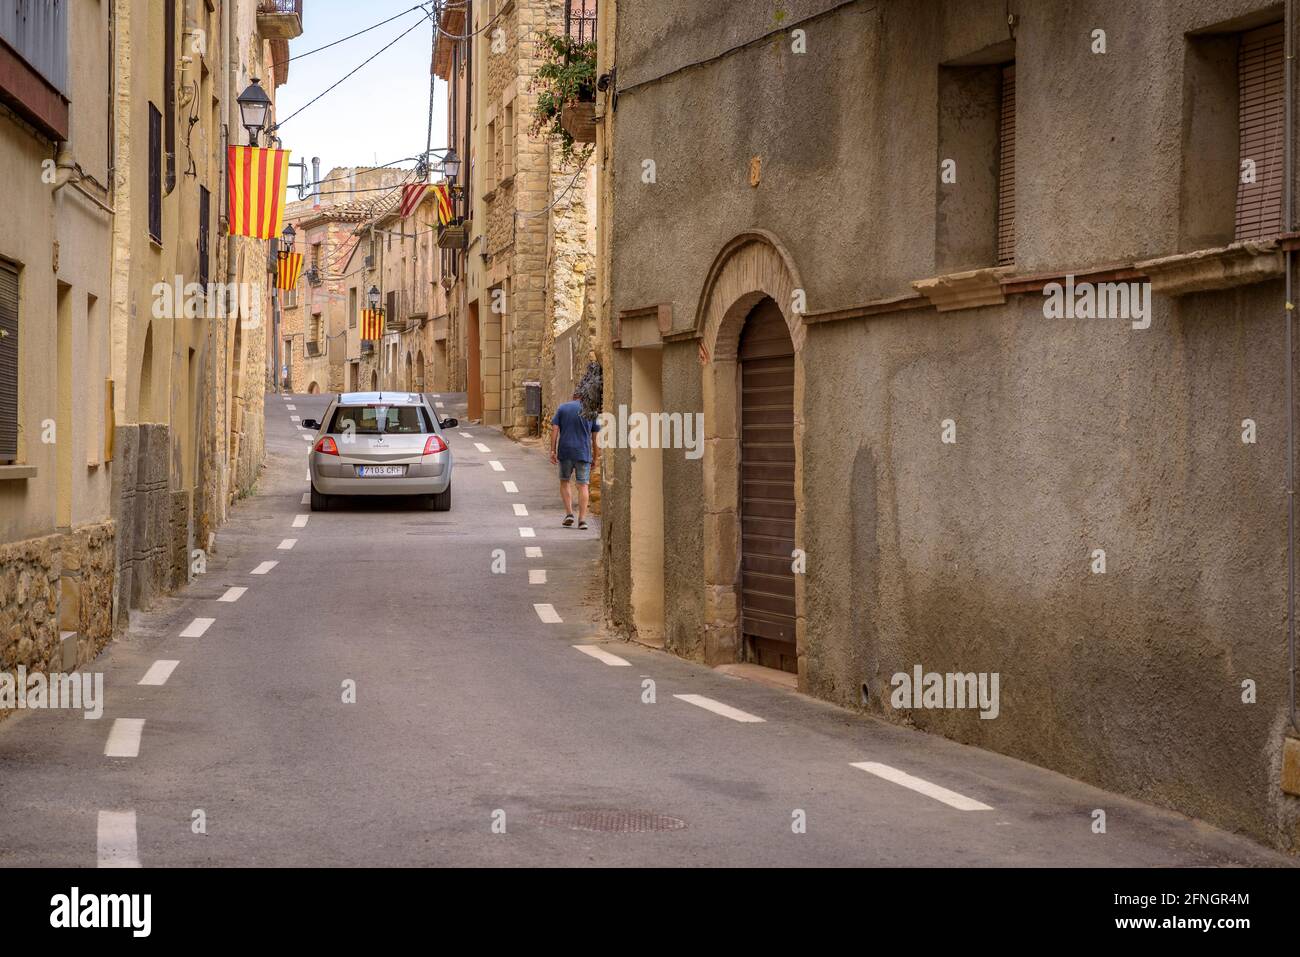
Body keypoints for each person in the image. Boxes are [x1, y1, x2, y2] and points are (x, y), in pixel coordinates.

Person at [550, 390, 601, 530]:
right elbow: (595, 438)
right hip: (583, 452)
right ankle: (582, 520)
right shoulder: (592, 412)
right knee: (583, 485)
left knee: (565, 481)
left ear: (573, 397)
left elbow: (554, 429)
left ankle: (569, 514)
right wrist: (596, 457)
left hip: (565, 451)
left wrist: (552, 450)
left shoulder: (563, 408)